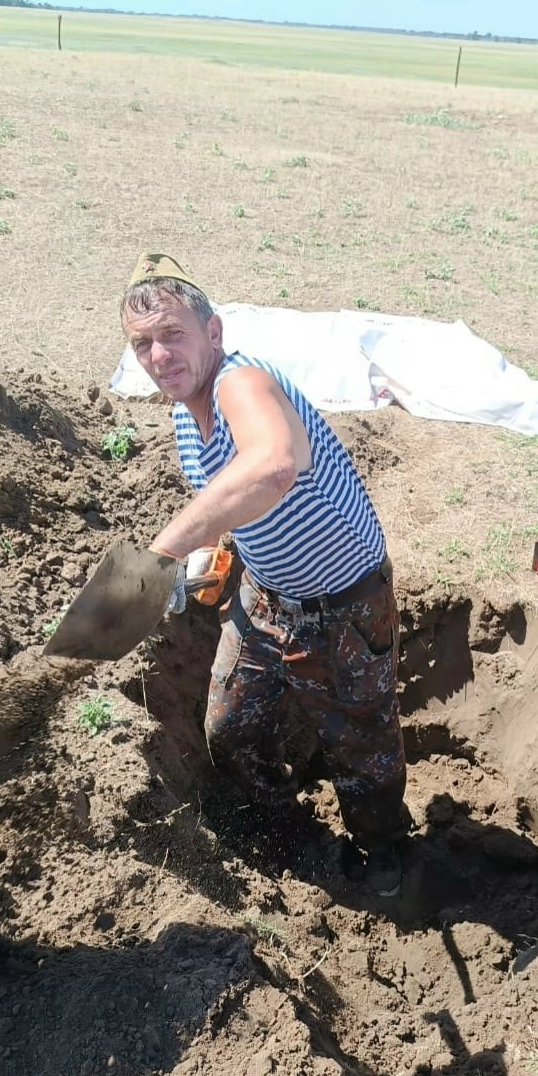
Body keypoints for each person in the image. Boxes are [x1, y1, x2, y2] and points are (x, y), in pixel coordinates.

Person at [121, 252, 410, 897]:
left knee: (362, 745)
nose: (159, 356)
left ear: (214, 333)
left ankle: (385, 845)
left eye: (173, 335)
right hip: (262, 596)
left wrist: (160, 553)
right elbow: (229, 488)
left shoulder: (238, 383)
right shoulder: (182, 410)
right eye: (142, 344)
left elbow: (274, 464)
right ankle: (287, 827)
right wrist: (213, 552)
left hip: (345, 607)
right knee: (229, 728)